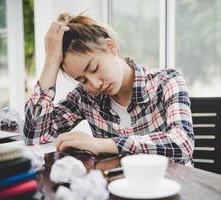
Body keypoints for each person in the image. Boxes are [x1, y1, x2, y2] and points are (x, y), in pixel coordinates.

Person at [23, 13, 194, 166]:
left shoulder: (166, 81)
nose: (95, 84)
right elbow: (35, 136)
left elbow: (183, 143)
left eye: (94, 68)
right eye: (82, 80)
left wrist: (104, 144)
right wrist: (51, 62)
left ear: (110, 46)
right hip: (118, 188)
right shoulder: (85, 97)